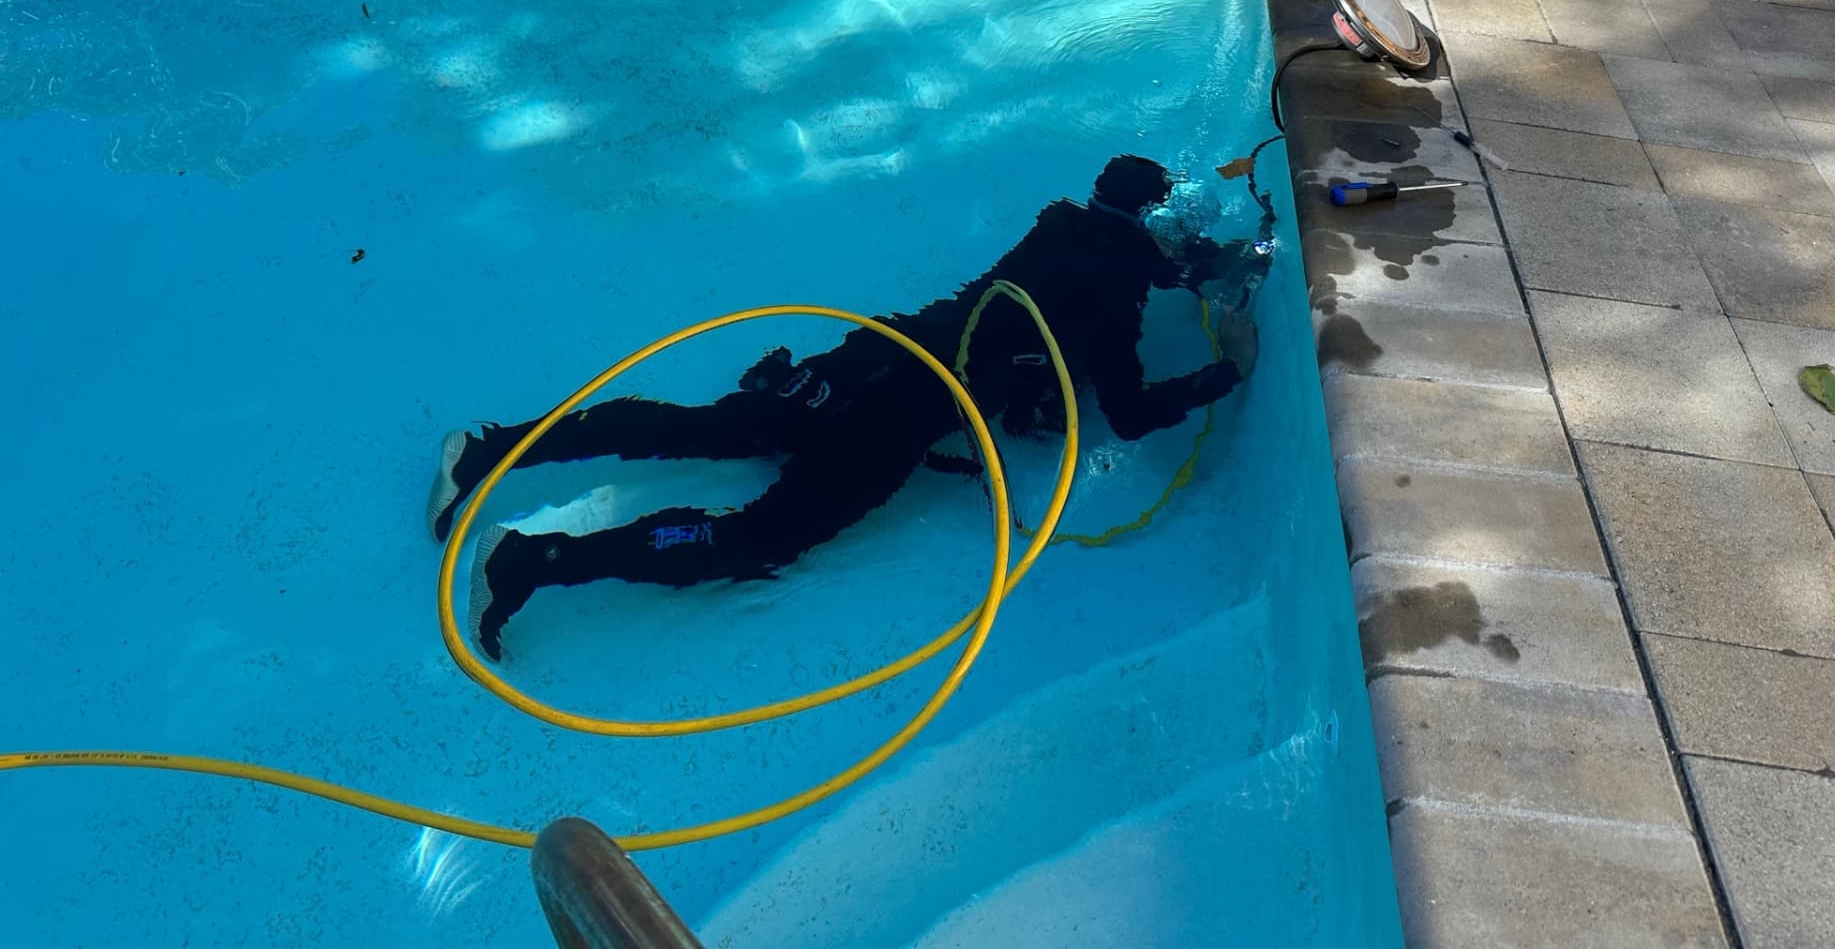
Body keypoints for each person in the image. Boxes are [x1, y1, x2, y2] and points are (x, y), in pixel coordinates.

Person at [428, 154, 1268, 660]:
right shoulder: (1115, 301)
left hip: (865, 357)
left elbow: (1085, 282)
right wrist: (1221, 372)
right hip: (897, 419)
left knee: (697, 429)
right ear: (1157, 240)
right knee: (759, 538)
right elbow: (1127, 413)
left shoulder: (1056, 225)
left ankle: (488, 448)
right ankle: (531, 561)